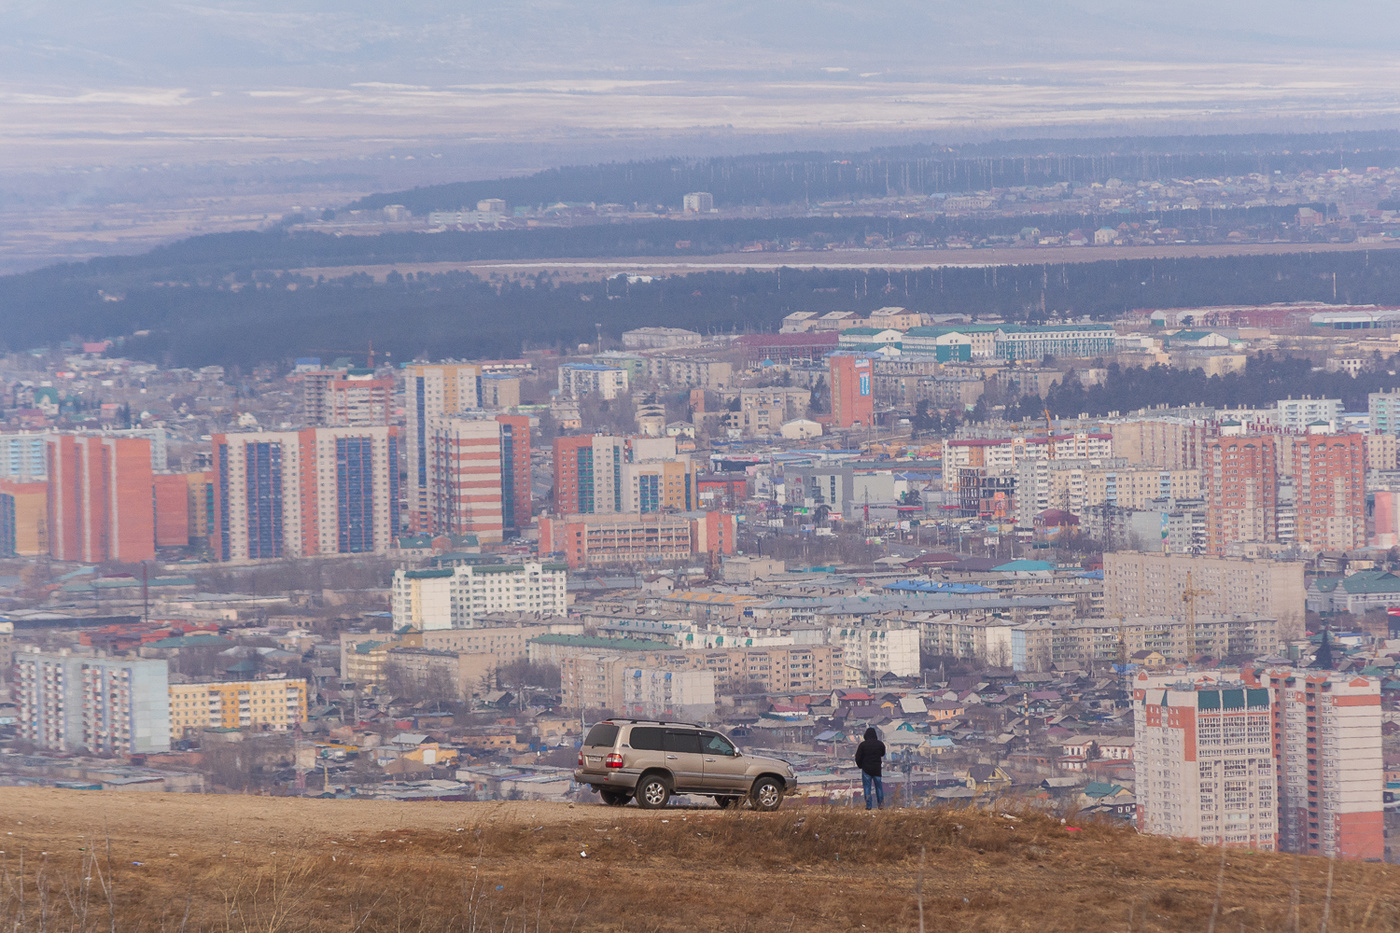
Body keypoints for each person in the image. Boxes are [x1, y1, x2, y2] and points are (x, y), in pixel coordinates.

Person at [854, 726, 886, 810]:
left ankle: (868, 806)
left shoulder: (863, 745)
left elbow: (858, 757)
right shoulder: (880, 744)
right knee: (879, 787)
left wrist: (860, 765)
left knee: (867, 787)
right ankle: (881, 805)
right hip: (877, 769)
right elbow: (883, 753)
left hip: (866, 769)